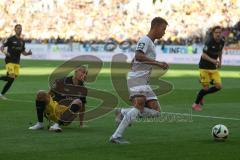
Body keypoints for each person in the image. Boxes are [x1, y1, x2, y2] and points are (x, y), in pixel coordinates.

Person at [109, 17, 169, 144]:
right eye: (163, 29)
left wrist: (133, 65)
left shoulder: (151, 43)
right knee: (139, 104)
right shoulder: (145, 39)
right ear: (156, 27)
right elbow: (138, 55)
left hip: (143, 80)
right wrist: (157, 63)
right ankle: (116, 136)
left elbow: (136, 58)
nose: (164, 32)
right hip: (137, 79)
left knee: (156, 112)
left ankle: (122, 112)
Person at [29, 66, 87, 132]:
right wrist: (43, 106)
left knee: (78, 101)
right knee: (41, 93)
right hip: (54, 108)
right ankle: (40, 124)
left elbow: (82, 107)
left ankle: (56, 125)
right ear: (76, 71)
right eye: (83, 72)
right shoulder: (62, 81)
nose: (84, 75)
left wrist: (81, 124)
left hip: (66, 115)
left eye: (86, 74)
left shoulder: (83, 89)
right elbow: (49, 94)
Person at [192, 26, 225, 111]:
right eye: (216, 32)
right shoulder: (209, 41)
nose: (218, 34)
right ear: (213, 33)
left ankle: (201, 94)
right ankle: (195, 105)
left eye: (219, 32)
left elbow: (220, 51)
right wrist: (213, 60)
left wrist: (220, 61)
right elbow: (203, 55)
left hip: (213, 68)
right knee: (206, 88)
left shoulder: (222, 41)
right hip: (204, 67)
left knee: (219, 86)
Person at [0, 24, 32, 99]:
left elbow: (23, 52)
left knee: (11, 79)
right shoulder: (10, 39)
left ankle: (1, 94)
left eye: (20, 28)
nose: (19, 30)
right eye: (18, 28)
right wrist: (5, 52)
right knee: (11, 77)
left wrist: (28, 53)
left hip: (17, 62)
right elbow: (2, 47)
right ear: (15, 29)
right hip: (9, 60)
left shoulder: (22, 41)